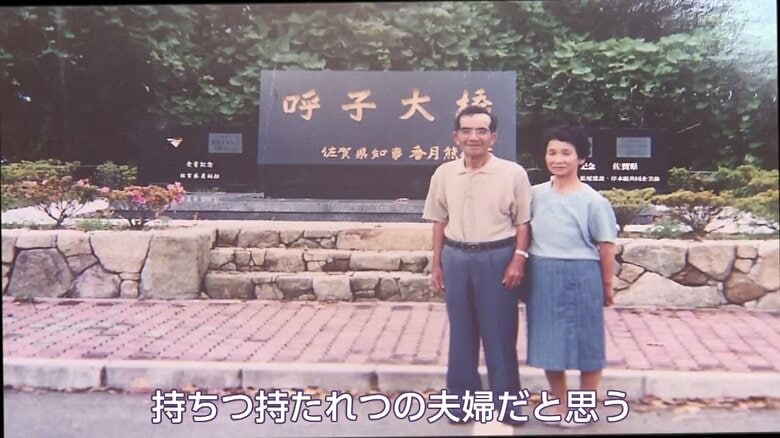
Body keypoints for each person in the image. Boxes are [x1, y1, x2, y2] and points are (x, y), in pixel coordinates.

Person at [422, 105, 532, 426]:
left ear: (493, 137)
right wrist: (437, 264)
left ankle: (507, 403)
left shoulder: (512, 173)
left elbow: (523, 222)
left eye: (482, 131)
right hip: (456, 257)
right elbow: (439, 220)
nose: (474, 137)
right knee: (461, 333)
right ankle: (461, 402)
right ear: (456, 136)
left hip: (497, 257)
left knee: (500, 334)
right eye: (467, 131)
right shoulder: (444, 174)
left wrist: (519, 258)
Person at [525, 124, 617, 428]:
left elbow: (606, 246)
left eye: (566, 153)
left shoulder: (594, 201)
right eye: (552, 152)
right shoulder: (535, 195)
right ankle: (561, 403)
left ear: (581, 159)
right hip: (542, 274)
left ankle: (585, 405)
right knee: (549, 341)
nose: (558, 159)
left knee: (588, 342)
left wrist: (607, 286)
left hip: (582, 274)